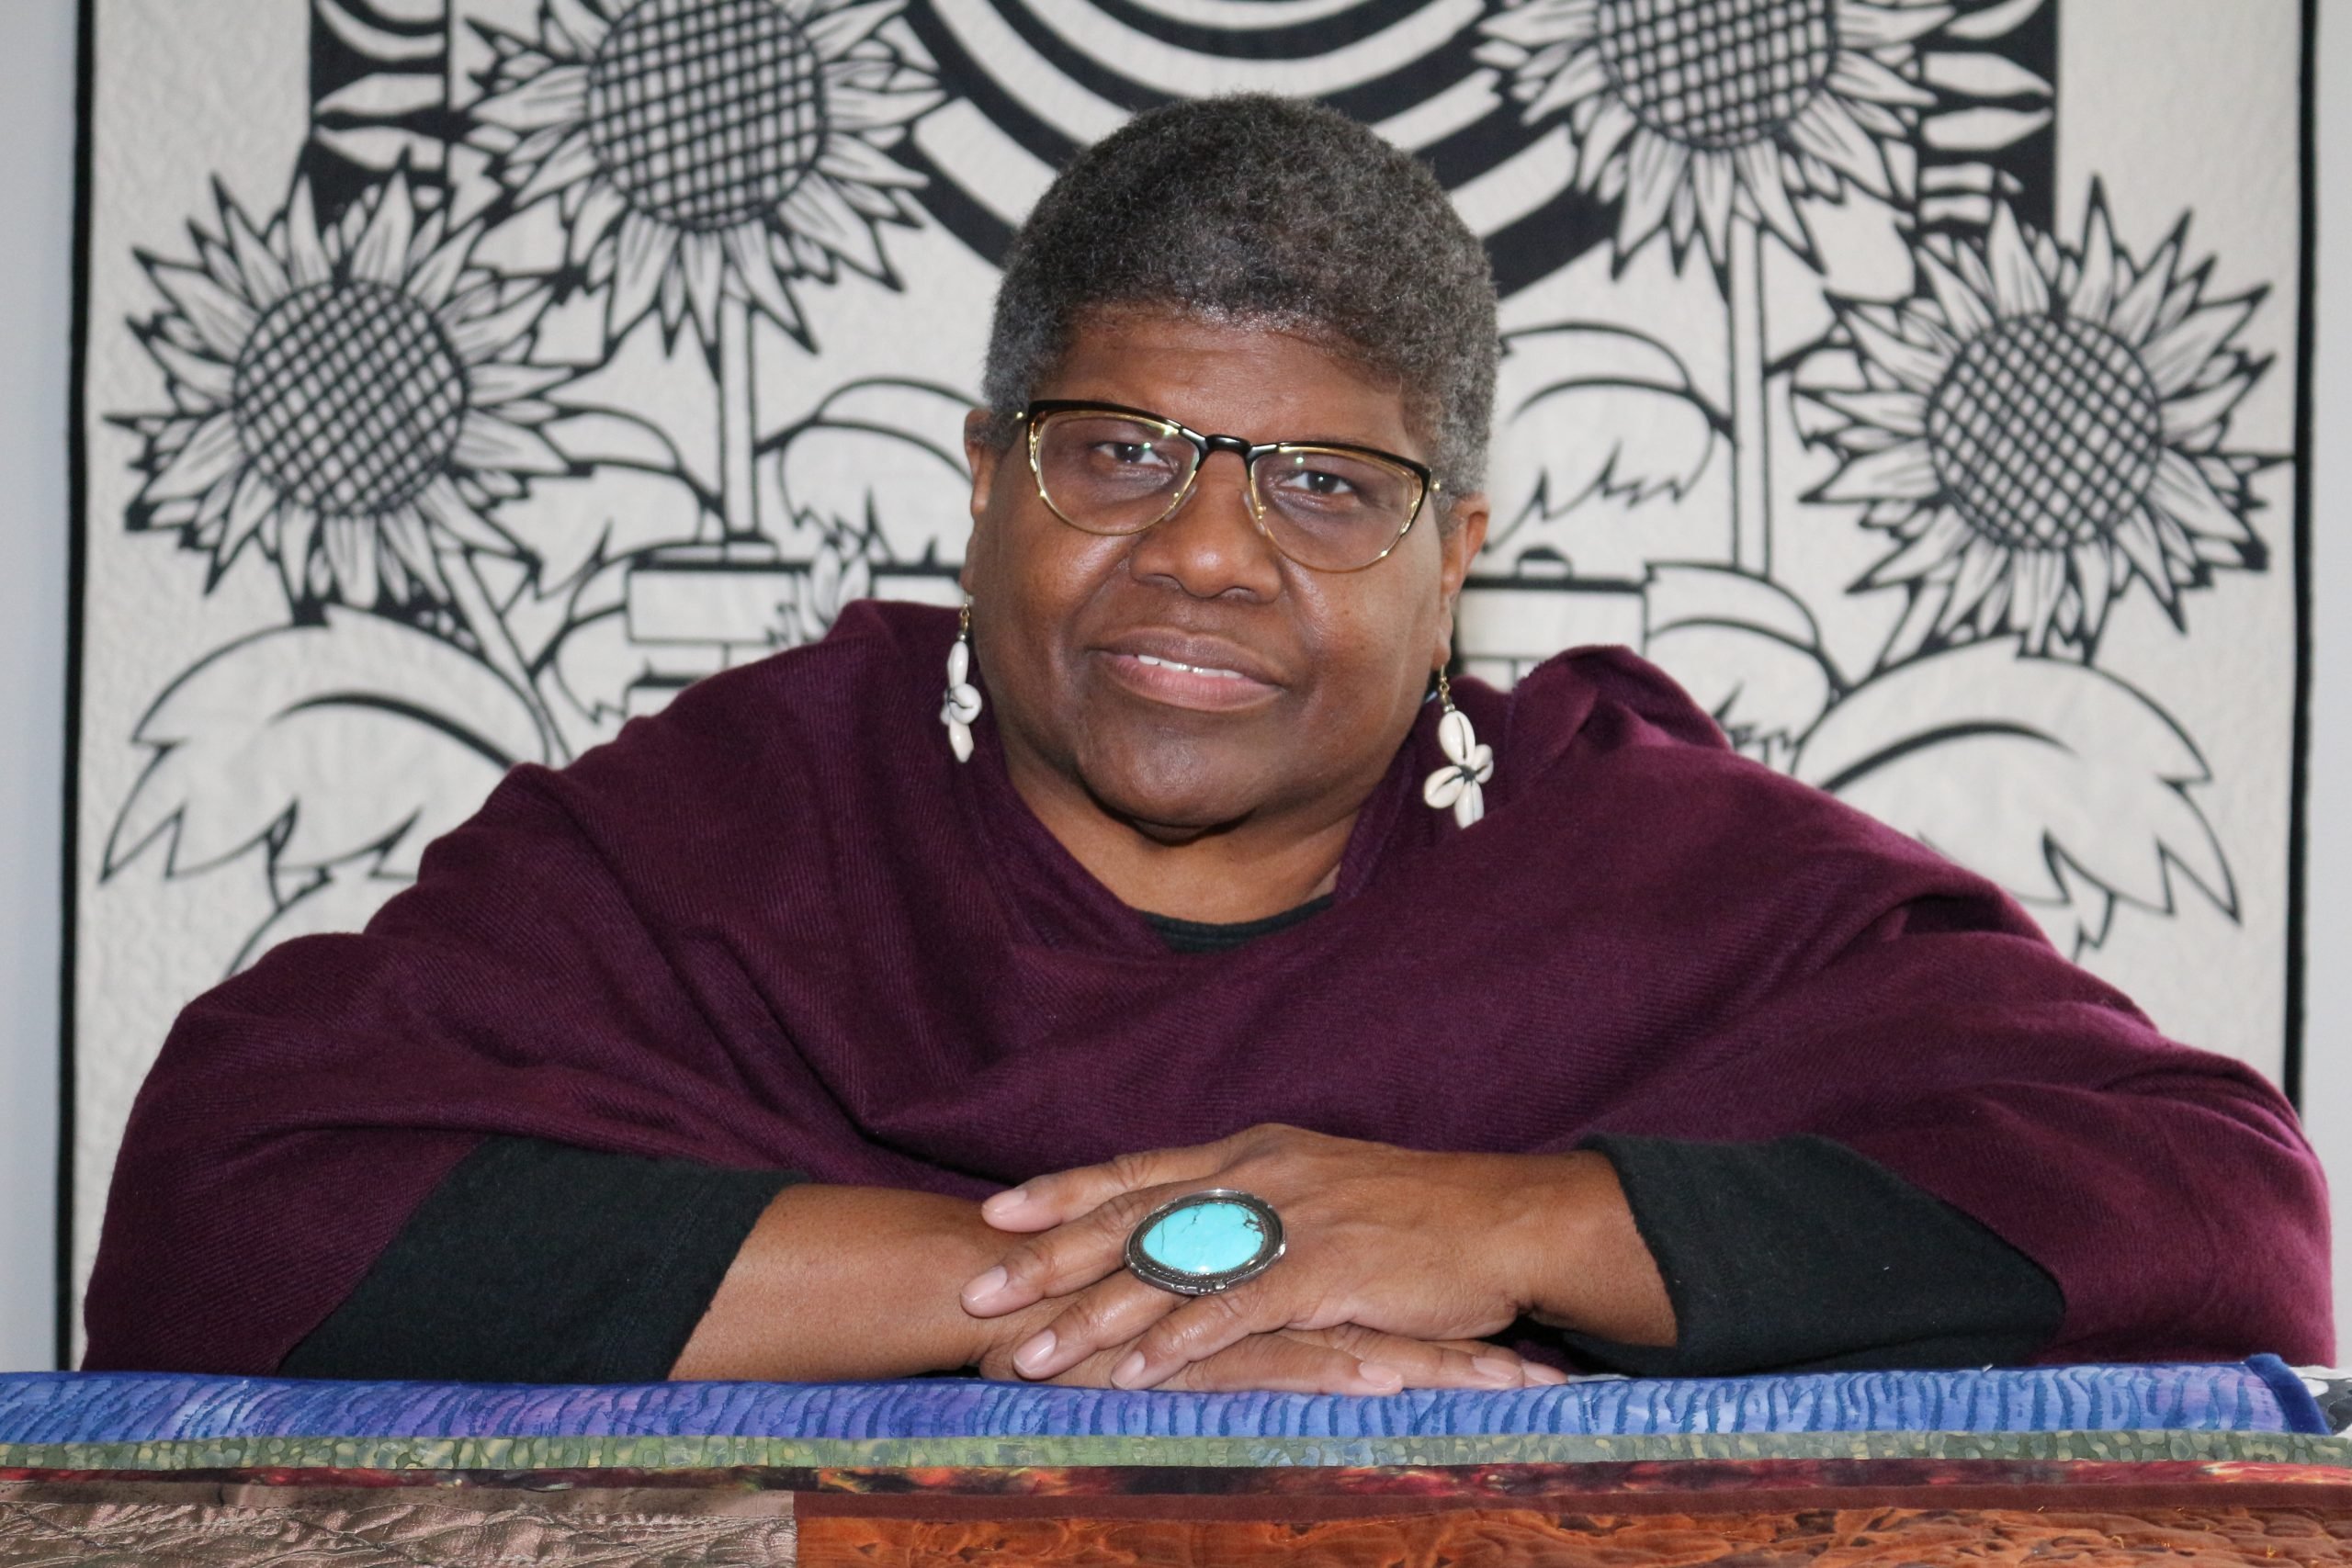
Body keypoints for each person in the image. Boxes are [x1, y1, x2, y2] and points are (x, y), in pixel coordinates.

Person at [85, 96, 2328, 1389]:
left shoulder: (1651, 870)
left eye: (1324, 486)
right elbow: (219, 1213)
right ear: (980, 477)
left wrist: (1501, 1224)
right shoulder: (746, 820)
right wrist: (1189, 1281)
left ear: (1461, 550)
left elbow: (2224, 1229)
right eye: (1119, 452)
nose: (1208, 560)